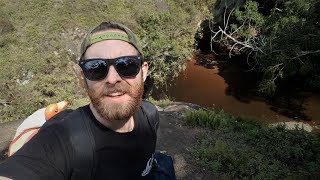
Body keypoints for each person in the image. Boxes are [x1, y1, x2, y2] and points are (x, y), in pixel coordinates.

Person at [0, 21, 159, 180]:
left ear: (143, 71)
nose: (112, 79)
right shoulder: (62, 139)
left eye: (127, 64)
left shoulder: (150, 115)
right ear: (83, 79)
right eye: (96, 68)